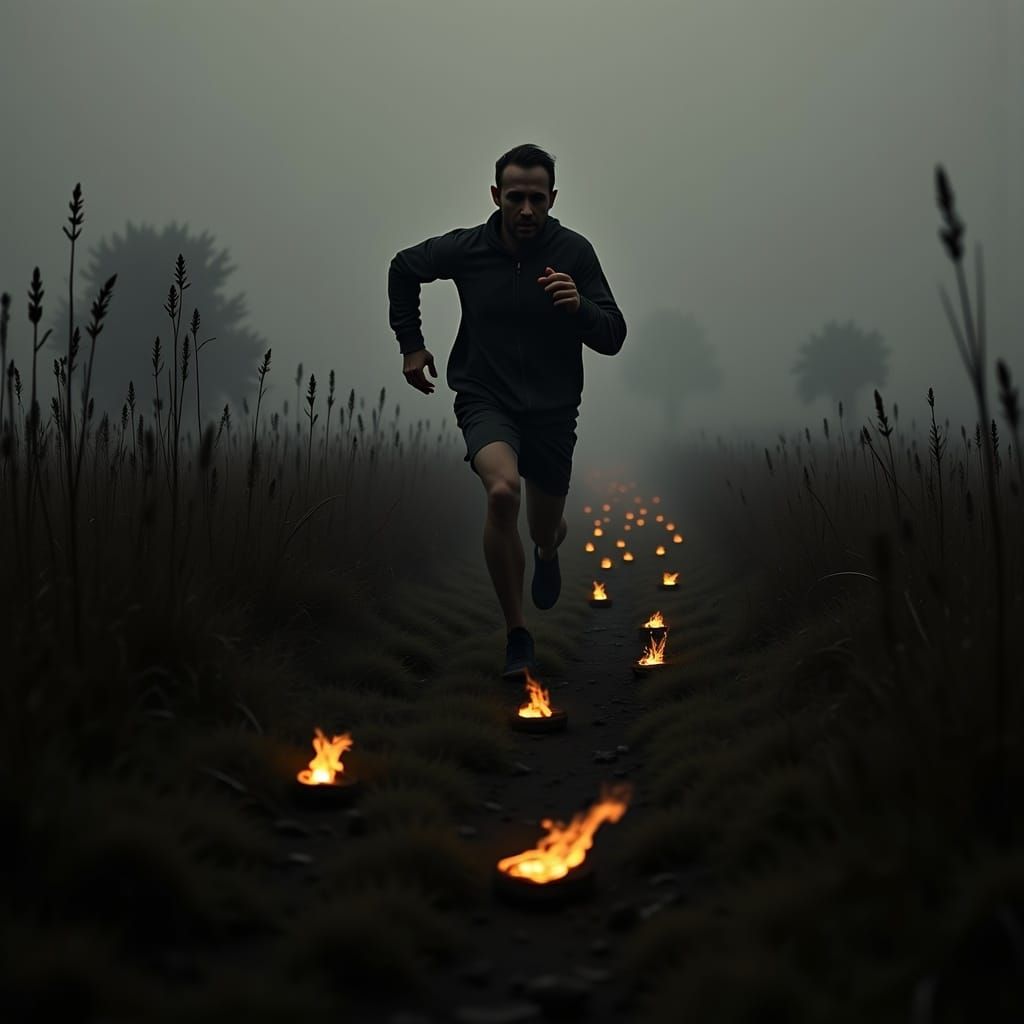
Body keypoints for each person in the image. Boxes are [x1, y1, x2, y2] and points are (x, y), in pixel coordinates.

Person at [387, 143, 627, 679]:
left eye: (536, 199)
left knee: (543, 527)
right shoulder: (467, 249)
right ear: (496, 196)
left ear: (552, 199)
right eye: (514, 197)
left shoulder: (575, 254)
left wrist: (580, 307)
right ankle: (518, 635)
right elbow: (403, 268)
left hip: (553, 411)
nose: (525, 210)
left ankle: (546, 549)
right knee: (501, 492)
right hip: (484, 396)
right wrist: (411, 343)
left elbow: (613, 335)